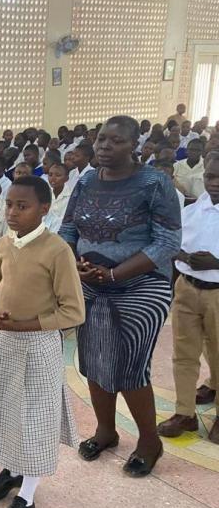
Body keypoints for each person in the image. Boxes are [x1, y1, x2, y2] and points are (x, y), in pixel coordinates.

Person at [59, 115, 182, 477]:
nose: (105, 147)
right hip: (90, 283)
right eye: (101, 140)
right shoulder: (86, 180)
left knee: (130, 363)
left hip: (142, 285)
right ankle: (106, 430)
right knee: (93, 359)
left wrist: (114, 273)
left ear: (134, 146)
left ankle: (149, 441)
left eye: (116, 141)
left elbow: (167, 242)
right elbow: (68, 229)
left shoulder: (155, 183)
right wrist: (73, 263)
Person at [0, 177, 84, 508]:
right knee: (8, 411)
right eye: (9, 204)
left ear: (44, 209)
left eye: (22, 206)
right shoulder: (5, 243)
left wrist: (27, 325)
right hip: (4, 341)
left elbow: (73, 311)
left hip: (37, 344)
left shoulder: (57, 250)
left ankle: (27, 497)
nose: (12, 212)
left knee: (33, 419)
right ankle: (12, 470)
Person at [157, 152, 219, 444]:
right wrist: (184, 256)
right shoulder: (191, 210)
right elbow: (173, 244)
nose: (214, 182)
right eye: (210, 176)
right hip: (187, 288)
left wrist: (216, 263)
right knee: (184, 353)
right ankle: (185, 413)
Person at [44, 163, 72, 233]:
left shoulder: (71, 196)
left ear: (67, 178)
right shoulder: (44, 193)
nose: (53, 178)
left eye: (58, 175)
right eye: (50, 175)